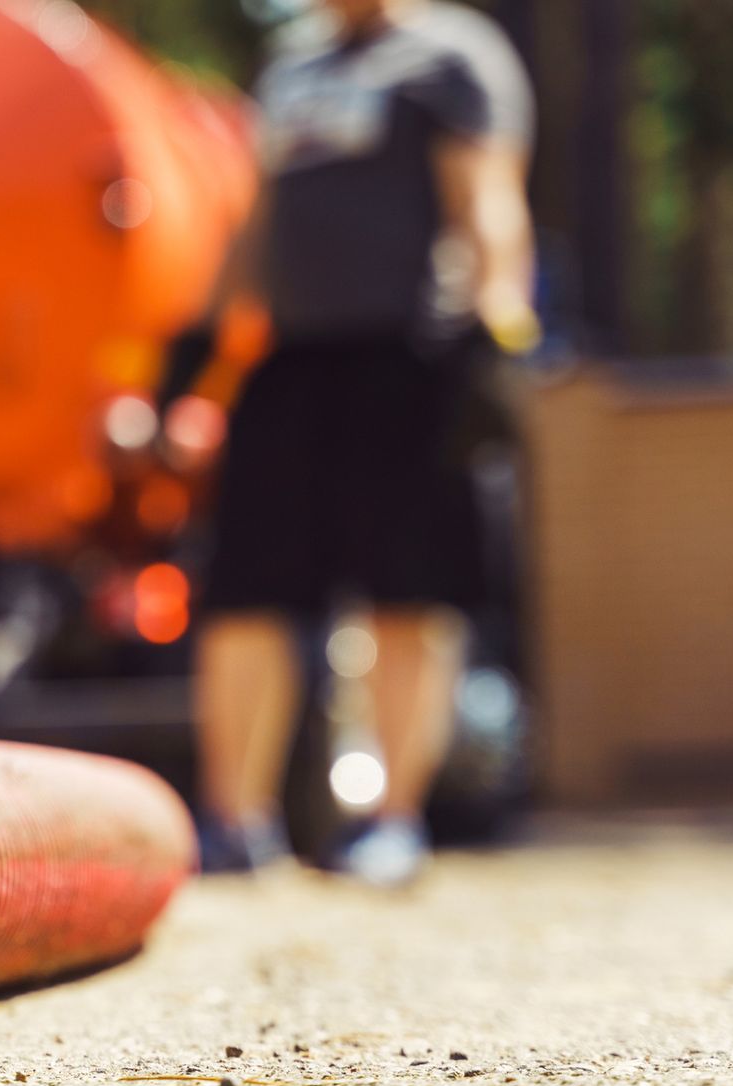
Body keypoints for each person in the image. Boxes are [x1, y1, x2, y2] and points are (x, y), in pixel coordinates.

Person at [176, 0, 538, 884]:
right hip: (294, 363)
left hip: (412, 354)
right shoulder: (292, 67)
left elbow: (487, 195)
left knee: (405, 595)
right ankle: (235, 823)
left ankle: (390, 821)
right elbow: (262, 219)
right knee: (244, 595)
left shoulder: (451, 56)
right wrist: (192, 357)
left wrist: (497, 334)